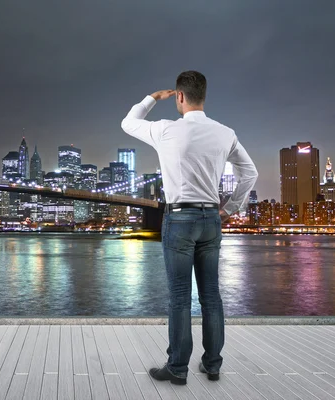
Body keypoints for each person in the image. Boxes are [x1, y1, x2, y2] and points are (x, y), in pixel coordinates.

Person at [121, 71, 258, 385]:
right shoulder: (226, 133)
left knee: (180, 297)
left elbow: (128, 123)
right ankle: (212, 365)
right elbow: (250, 173)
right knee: (211, 296)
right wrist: (231, 207)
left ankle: (178, 368)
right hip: (211, 219)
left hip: (180, 219)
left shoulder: (166, 130)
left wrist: (153, 98)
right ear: (204, 97)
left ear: (179, 97)